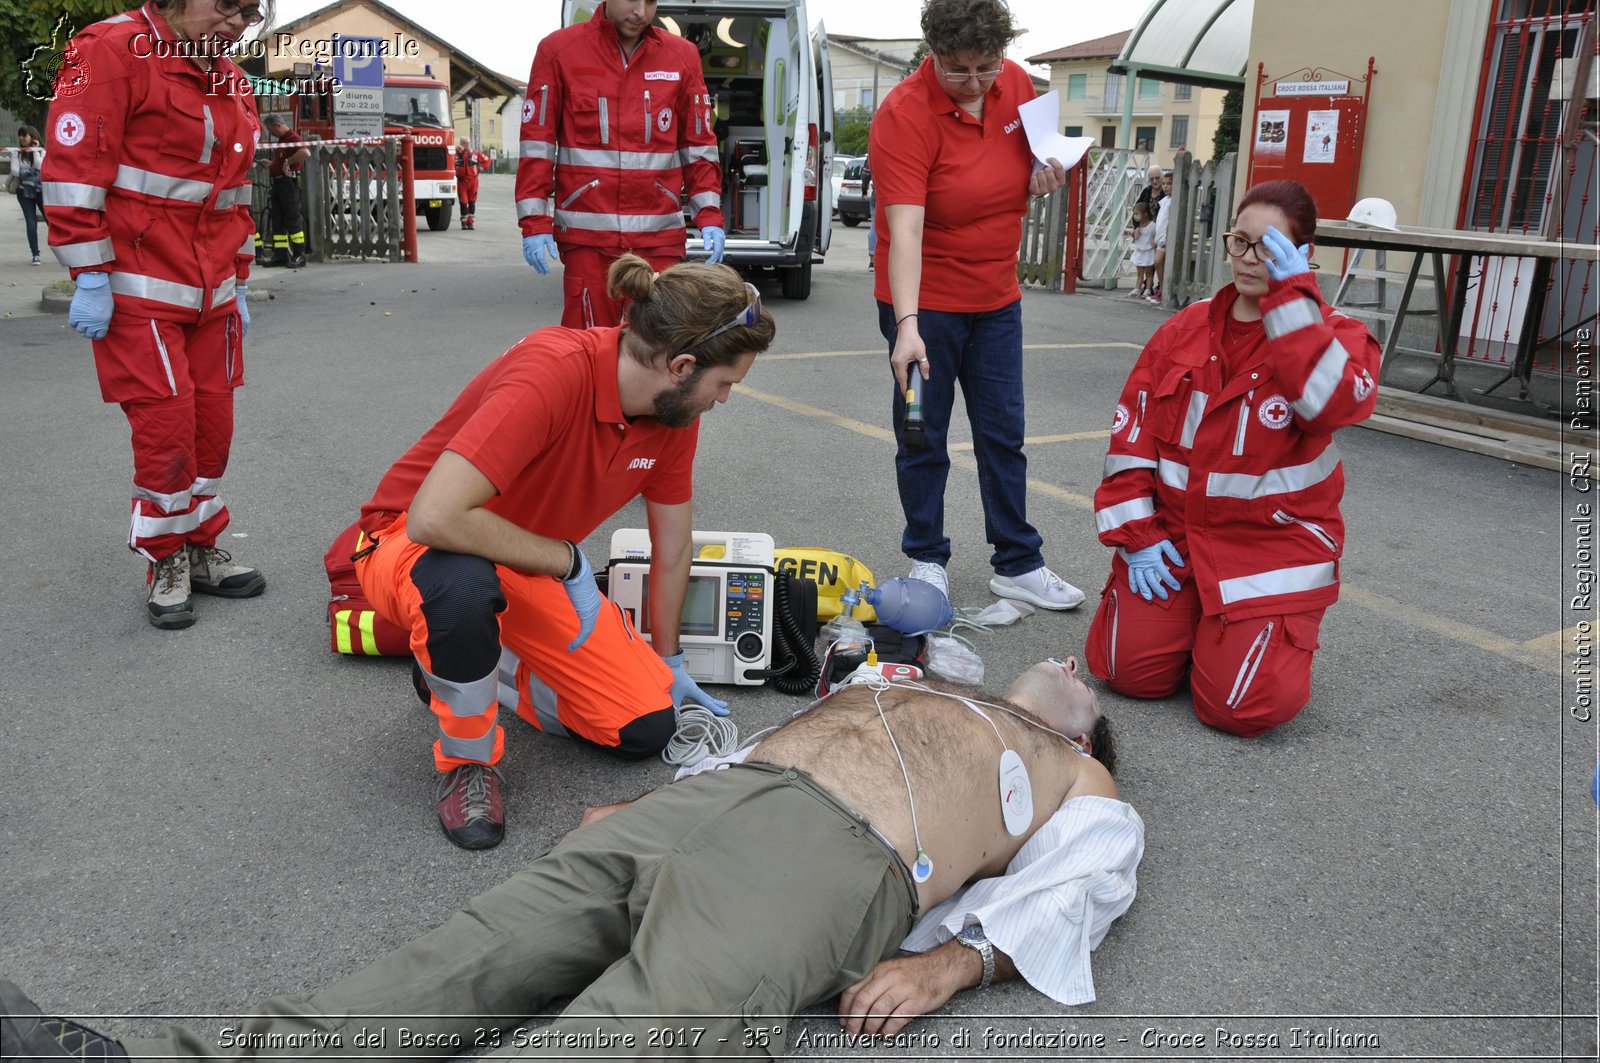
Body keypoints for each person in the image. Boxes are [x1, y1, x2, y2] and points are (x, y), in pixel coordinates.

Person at [0, 658, 1143, 1059]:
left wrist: (947, 968)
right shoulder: (927, 685)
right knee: (456, 966)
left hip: (833, 857)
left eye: (1074, 680)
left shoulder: (1074, 773)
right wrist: (654, 801)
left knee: (624, 1041)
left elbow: (1081, 885)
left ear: (1083, 724)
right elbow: (762, 737)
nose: (1058, 665)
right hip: (715, 804)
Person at [348, 254, 773, 850]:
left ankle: (459, 667)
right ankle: (468, 763)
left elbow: (671, 546)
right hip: (409, 545)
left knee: (644, 726)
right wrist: (568, 562)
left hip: (518, 563)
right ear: (680, 366)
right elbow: (435, 517)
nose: (724, 398)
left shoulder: (674, 415)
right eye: (724, 383)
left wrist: (670, 661)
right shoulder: (554, 370)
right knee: (462, 585)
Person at [1086, 179, 1381, 737]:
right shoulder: (1184, 328)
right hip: (1174, 540)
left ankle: (1235, 631)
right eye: (1239, 242)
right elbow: (1132, 439)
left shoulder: (1341, 335)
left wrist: (1292, 303)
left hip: (1268, 550)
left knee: (1239, 711)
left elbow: (1328, 406)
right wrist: (1138, 537)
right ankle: (1199, 624)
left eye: (1268, 248)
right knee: (1124, 674)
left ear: (1303, 254)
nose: (1248, 260)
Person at [42, 0, 269, 630]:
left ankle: (200, 547)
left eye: (252, 12)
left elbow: (235, 193)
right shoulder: (106, 50)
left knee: (211, 426)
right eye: (228, 5)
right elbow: (74, 170)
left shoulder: (228, 76)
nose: (239, 22)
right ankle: (164, 558)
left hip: (213, 290)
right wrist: (89, 274)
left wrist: (241, 279)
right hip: (138, 286)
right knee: (166, 429)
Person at [869, 0, 1086, 613]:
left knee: (1002, 433)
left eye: (985, 67)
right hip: (925, 300)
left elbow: (1045, 155)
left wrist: (1047, 172)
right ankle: (927, 558)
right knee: (922, 435)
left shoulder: (1015, 82)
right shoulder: (903, 115)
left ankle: (1018, 563)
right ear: (931, 53)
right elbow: (903, 231)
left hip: (996, 296)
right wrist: (906, 327)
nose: (974, 83)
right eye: (957, 69)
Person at [516, 0, 727, 328]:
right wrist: (534, 221)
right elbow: (537, 146)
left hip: (658, 239)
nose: (640, 12)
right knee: (587, 347)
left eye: (651, 2)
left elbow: (698, 145)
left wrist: (709, 214)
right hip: (588, 238)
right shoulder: (559, 52)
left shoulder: (681, 57)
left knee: (656, 349)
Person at [261, 113, 308, 268]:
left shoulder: (293, 139)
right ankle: (280, 255)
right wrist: (272, 164)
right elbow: (281, 159)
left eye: (270, 130)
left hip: (288, 184)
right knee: (278, 220)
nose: (270, 134)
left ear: (277, 125)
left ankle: (299, 254)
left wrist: (287, 162)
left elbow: (304, 153)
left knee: (292, 219)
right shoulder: (283, 140)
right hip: (278, 185)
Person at [6, 126, 45, 265]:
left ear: (33, 137)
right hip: (23, 191)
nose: (22, 138)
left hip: (41, 191)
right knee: (31, 223)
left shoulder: (41, 151)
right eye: (20, 135)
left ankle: (63, 250)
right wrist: (32, 172)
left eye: (25, 135)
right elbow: (15, 171)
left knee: (51, 221)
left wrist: (35, 150)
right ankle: (35, 254)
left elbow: (40, 167)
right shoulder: (17, 152)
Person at [454, 138, 490, 230]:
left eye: (468, 143)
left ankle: (470, 222)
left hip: (473, 181)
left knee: (472, 201)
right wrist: (457, 149)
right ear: (461, 143)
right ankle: (464, 222)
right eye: (464, 143)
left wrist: (482, 168)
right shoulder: (456, 154)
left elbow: (487, 160)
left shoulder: (475, 153)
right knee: (463, 201)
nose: (466, 145)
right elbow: (449, 159)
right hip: (462, 182)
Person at [1148, 170, 1172, 304]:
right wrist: (1156, 238)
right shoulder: (1164, 201)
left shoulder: (1172, 202)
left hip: (1166, 239)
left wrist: (1167, 237)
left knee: (1159, 261)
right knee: (1158, 262)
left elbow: (1170, 222)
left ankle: (1163, 289)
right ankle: (1162, 288)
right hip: (1160, 238)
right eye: (1164, 184)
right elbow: (1160, 222)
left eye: (1169, 184)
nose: (1165, 186)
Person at [1127, 200, 1156, 299]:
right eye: (1134, 214)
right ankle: (1137, 288)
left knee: (1149, 273)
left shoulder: (1152, 225)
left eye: (1136, 214)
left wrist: (1155, 241)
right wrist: (1133, 235)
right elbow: (1136, 238)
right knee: (1139, 273)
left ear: (1145, 214)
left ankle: (1148, 289)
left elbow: (1156, 235)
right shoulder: (1138, 227)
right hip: (1139, 251)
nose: (1135, 216)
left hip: (1148, 251)